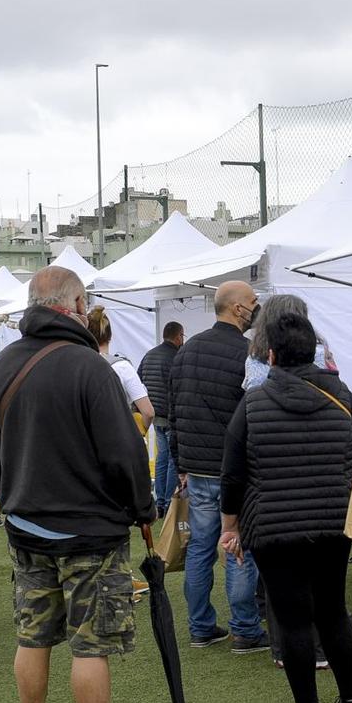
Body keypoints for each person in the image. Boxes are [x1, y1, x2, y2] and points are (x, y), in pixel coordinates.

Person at [0, 267, 158, 703]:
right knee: (91, 642)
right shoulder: (90, 366)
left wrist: (10, 502)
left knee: (33, 636)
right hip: (88, 532)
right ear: (76, 303)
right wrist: (143, 510)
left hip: (25, 527)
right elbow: (125, 454)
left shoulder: (2, 364)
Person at [220, 308, 352, 703]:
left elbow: (232, 474)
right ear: (315, 352)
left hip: (273, 529)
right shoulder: (343, 396)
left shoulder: (253, 405)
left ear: (269, 356)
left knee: (289, 617)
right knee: (333, 611)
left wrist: (229, 526)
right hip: (333, 522)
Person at [171, 280, 267, 653]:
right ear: (238, 309)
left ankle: (200, 627)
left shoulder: (187, 350)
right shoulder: (247, 354)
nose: (257, 307)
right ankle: (244, 627)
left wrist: (181, 462)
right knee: (238, 546)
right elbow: (253, 418)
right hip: (233, 470)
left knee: (200, 548)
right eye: (254, 302)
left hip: (197, 467)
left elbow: (174, 413)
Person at [140, 321, 185, 511]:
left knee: (161, 458)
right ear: (178, 337)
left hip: (155, 415)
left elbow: (139, 379)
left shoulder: (149, 355)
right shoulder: (176, 357)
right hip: (170, 415)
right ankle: (167, 502)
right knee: (173, 460)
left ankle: (158, 502)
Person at [85, 306, 155, 422]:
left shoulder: (79, 366)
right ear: (110, 337)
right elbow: (148, 412)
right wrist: (139, 433)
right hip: (118, 433)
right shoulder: (122, 367)